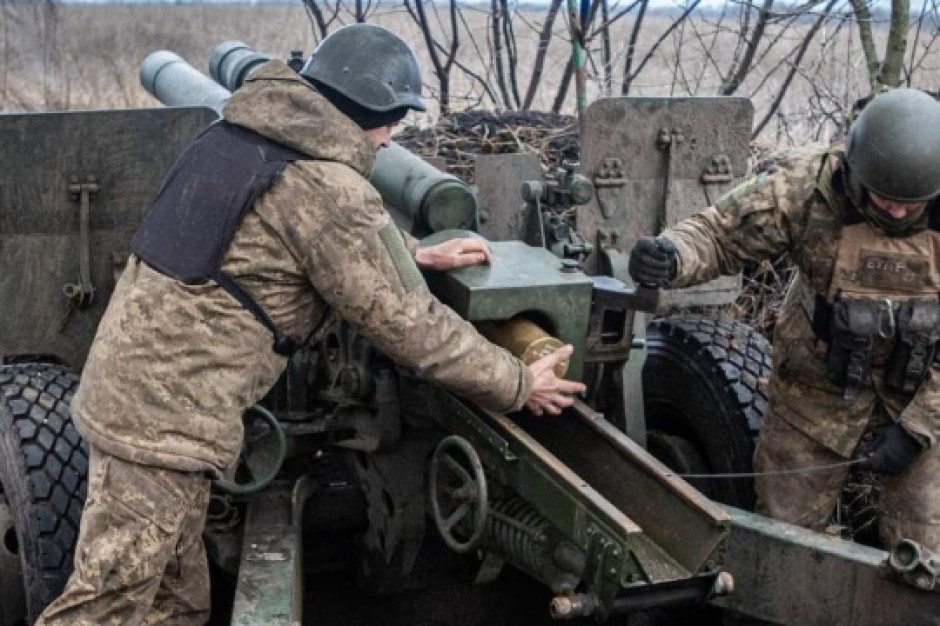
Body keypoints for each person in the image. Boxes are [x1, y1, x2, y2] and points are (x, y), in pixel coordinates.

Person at [37, 24, 585, 625]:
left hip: (141, 398)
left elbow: (294, 230)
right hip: (162, 429)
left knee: (178, 604)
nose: (390, 139)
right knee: (105, 609)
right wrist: (517, 382)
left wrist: (407, 252)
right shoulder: (326, 188)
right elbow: (413, 329)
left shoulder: (238, 136)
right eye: (394, 123)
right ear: (371, 112)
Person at [628, 88, 940, 556]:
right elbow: (719, 235)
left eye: (909, 203)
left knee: (927, 546)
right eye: (884, 198)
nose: (896, 211)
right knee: (784, 539)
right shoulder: (804, 187)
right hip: (815, 387)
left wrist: (919, 428)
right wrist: (672, 255)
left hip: (924, 392)